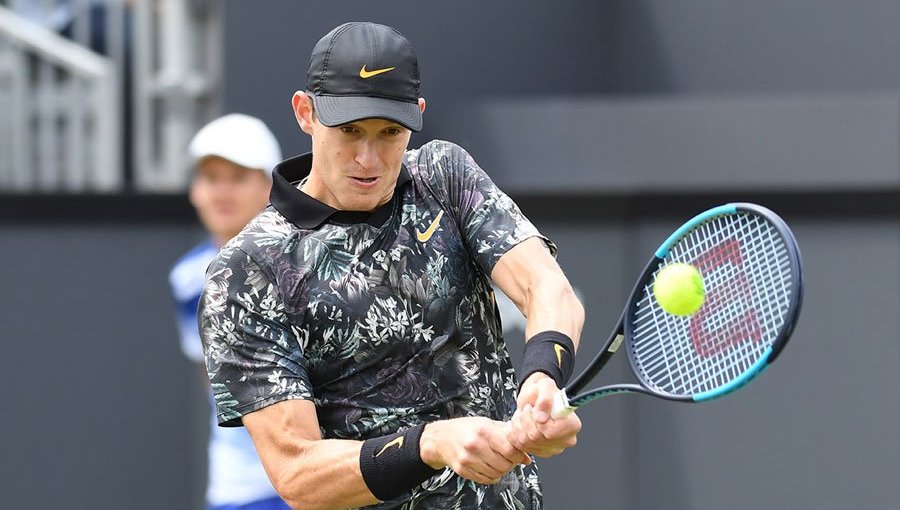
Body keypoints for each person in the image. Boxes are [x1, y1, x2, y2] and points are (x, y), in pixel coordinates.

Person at [198, 22, 584, 510]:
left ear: (417, 117)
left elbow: (546, 286)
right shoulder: (245, 270)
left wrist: (542, 380)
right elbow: (298, 474)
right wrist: (430, 444)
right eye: (349, 130)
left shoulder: (445, 176)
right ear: (305, 113)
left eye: (389, 133)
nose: (368, 157)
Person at [169, 113, 292, 510]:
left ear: (267, 187)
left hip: (315, 478)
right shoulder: (189, 279)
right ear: (194, 191)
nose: (222, 191)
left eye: (237, 177)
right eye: (210, 178)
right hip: (238, 486)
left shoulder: (303, 262)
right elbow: (213, 377)